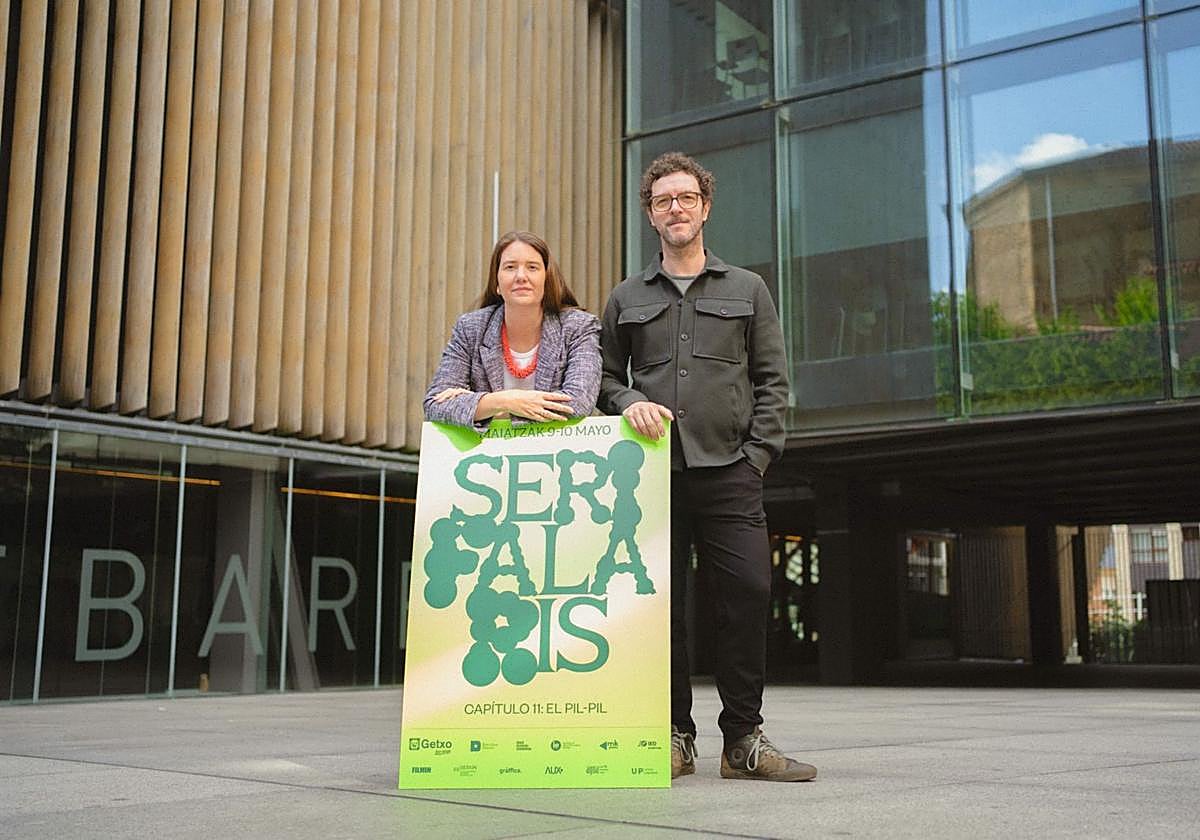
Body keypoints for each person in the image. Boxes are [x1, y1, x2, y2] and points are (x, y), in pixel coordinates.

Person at [598, 152, 816, 783]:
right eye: (663, 200)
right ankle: (675, 735)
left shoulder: (748, 289)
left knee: (748, 593)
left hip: (731, 473)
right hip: (651, 478)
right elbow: (607, 378)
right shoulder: (625, 297)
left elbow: (774, 381)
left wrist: (758, 457)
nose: (676, 208)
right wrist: (632, 401)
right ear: (650, 214)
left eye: (686, 198)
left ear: (705, 206)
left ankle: (743, 739)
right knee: (662, 607)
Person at [425, 230, 601, 428]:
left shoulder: (578, 327)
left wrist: (484, 406)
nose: (521, 276)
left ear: (547, 278)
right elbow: (435, 405)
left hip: (557, 454)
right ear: (497, 283)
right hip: (488, 456)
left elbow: (577, 403)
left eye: (532, 267)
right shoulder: (471, 329)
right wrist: (506, 401)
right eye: (510, 267)